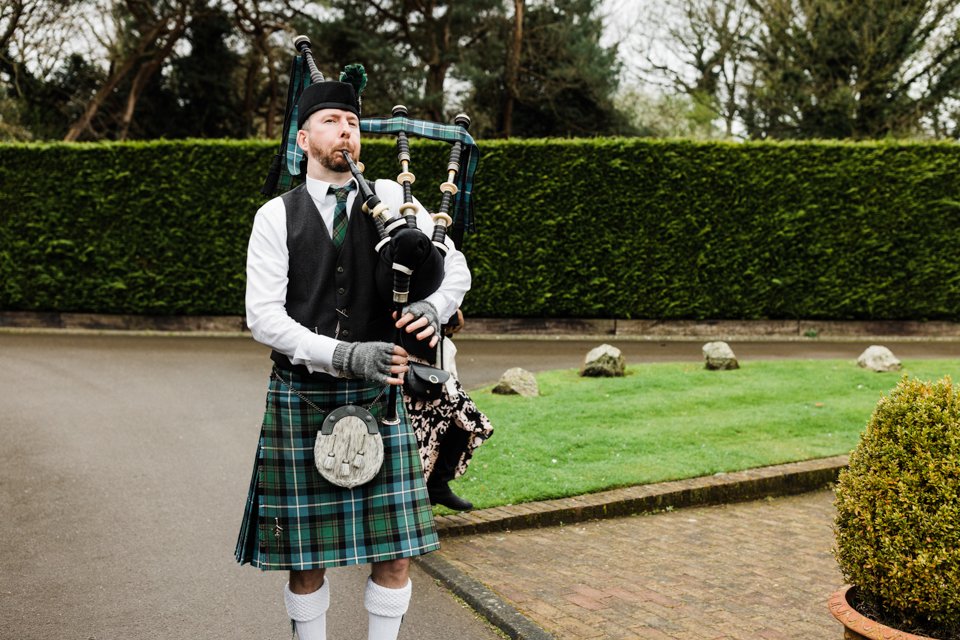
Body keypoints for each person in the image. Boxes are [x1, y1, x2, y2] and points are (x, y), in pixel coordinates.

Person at [235, 71, 470, 640]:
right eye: (332, 122)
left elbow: (453, 266)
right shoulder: (275, 216)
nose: (346, 133)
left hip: (381, 394)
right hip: (303, 392)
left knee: (394, 555)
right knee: (306, 559)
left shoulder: (391, 198)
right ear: (303, 138)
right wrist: (344, 355)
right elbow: (262, 316)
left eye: (354, 124)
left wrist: (435, 309)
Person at [405, 309, 494, 511]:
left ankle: (437, 483)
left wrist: (451, 313)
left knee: (468, 419)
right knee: (417, 434)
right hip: (403, 356)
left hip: (432, 359)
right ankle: (421, 491)